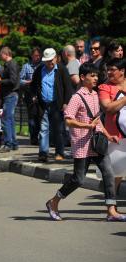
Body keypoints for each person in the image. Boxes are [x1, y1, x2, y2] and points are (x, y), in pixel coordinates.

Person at [45, 62, 125, 221]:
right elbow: (68, 120)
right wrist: (88, 126)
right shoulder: (77, 97)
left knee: (109, 173)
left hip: (97, 143)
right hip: (82, 144)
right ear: (82, 77)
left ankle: (111, 211)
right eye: (92, 76)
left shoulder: (95, 95)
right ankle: (53, 202)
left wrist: (109, 136)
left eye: (96, 75)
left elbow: (97, 121)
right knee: (78, 179)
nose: (96, 78)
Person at [31, 48, 73, 162]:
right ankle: (43, 153)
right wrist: (34, 95)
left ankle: (59, 152)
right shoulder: (40, 69)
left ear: (56, 58)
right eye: (47, 60)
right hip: (43, 104)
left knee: (58, 129)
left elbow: (68, 87)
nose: (50, 62)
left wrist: (65, 103)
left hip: (57, 104)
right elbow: (33, 85)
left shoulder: (61, 69)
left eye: (51, 60)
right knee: (44, 129)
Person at [98, 58, 126, 194]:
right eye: (107, 69)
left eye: (112, 69)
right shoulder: (105, 87)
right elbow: (108, 108)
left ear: (122, 71)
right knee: (116, 174)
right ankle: (111, 206)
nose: (108, 72)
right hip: (116, 138)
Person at [0, 47, 20, 152]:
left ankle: (8, 144)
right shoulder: (9, 65)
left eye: (1, 55)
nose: (0, 57)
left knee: (5, 119)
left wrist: (0, 81)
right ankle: (13, 143)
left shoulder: (11, 64)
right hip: (9, 95)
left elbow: (13, 80)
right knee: (9, 120)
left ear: (5, 54)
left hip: (10, 95)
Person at [20, 47, 42, 145]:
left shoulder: (43, 66)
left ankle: (41, 137)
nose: (37, 57)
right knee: (32, 118)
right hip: (30, 94)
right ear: (32, 56)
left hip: (41, 94)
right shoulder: (26, 66)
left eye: (38, 55)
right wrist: (28, 82)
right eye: (35, 55)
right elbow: (19, 80)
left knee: (41, 117)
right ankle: (33, 138)